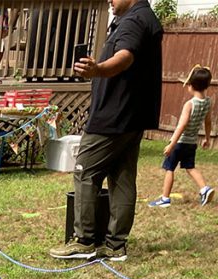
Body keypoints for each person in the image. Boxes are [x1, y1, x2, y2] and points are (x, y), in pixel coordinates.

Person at [49, 0, 163, 263]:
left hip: (113, 116)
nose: (110, 1)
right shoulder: (145, 18)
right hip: (131, 116)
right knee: (122, 178)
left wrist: (97, 69)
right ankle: (115, 245)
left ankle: (84, 241)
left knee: (85, 170)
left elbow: (125, 57)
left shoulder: (134, 21)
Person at [148, 65, 213, 208]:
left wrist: (172, 144)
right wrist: (207, 138)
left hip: (180, 142)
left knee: (169, 168)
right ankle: (204, 188)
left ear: (191, 85)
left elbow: (181, 126)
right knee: (190, 167)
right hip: (192, 143)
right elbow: (208, 122)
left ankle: (164, 199)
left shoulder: (189, 104)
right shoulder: (208, 102)